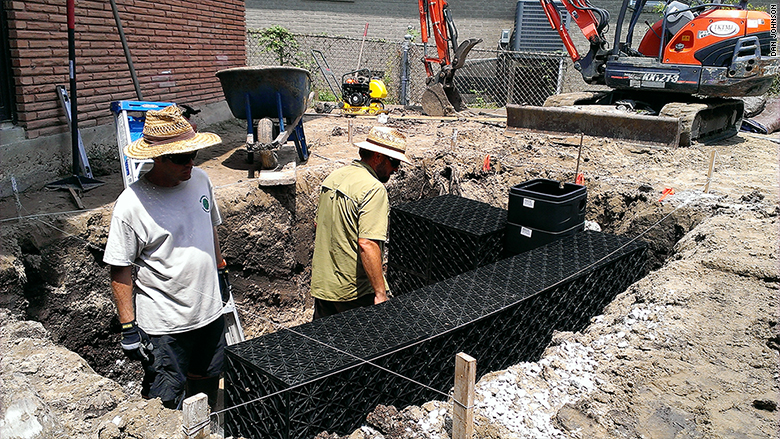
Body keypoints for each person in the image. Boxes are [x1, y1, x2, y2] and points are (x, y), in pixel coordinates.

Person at [103, 104, 228, 409]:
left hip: (209, 315)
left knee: (206, 382)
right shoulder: (132, 204)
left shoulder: (200, 181)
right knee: (166, 400)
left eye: (193, 155)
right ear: (157, 157)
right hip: (165, 327)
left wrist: (221, 269)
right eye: (181, 158)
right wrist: (128, 326)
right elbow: (120, 269)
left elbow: (210, 227)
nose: (190, 163)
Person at [310, 126, 411, 319]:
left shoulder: (334, 177)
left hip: (324, 287)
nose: (396, 168)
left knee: (326, 345)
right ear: (378, 156)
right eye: (394, 161)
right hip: (354, 293)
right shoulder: (373, 189)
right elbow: (367, 244)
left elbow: (318, 226)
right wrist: (381, 294)